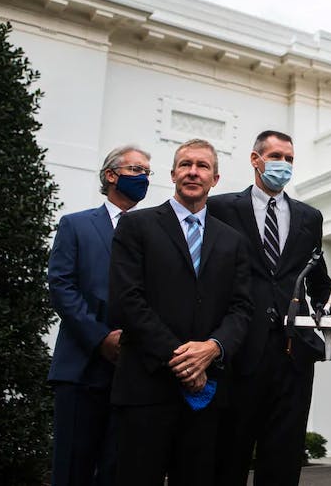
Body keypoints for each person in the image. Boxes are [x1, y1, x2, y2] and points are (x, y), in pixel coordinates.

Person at [108, 139, 252, 486]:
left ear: (215, 179)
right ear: (173, 174)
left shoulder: (233, 241)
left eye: (202, 166)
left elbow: (242, 308)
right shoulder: (136, 226)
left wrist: (213, 348)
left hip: (206, 395)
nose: (193, 172)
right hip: (147, 387)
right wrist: (184, 360)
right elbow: (127, 301)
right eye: (185, 164)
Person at [209, 130, 331, 486]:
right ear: (256, 160)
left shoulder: (309, 217)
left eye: (290, 159)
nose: (284, 165)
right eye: (277, 156)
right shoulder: (220, 209)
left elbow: (318, 279)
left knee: (283, 456)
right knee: (229, 454)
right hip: (239, 351)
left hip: (293, 353)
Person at [47, 145, 151, 486]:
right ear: (111, 175)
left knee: (117, 471)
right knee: (72, 469)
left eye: (147, 172)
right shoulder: (75, 225)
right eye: (136, 170)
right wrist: (101, 338)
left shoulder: (152, 232)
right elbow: (62, 287)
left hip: (132, 373)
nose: (143, 178)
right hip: (81, 368)